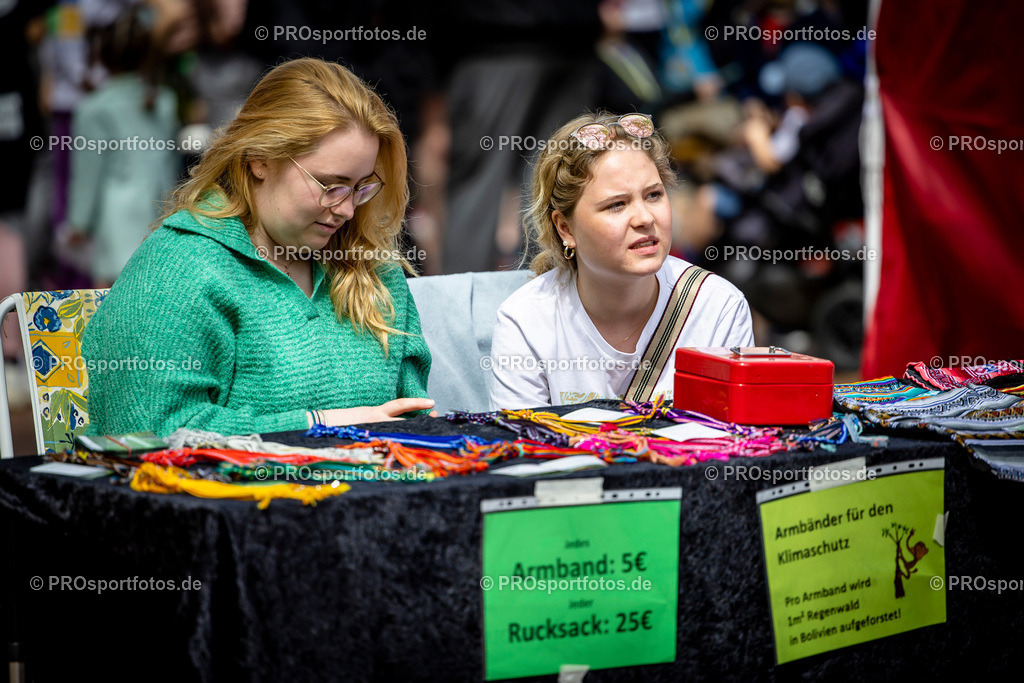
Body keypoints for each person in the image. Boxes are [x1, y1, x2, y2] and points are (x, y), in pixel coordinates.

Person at [83, 57, 434, 436]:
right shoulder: (177, 269)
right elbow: (146, 434)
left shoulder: (371, 267)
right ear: (259, 159)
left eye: (361, 186)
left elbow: (411, 422)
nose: (347, 209)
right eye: (330, 185)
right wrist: (318, 426)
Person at [489, 112, 753, 409]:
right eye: (617, 205)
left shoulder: (717, 307)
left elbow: (735, 446)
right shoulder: (526, 321)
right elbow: (522, 448)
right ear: (565, 227)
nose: (644, 218)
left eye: (654, 195)